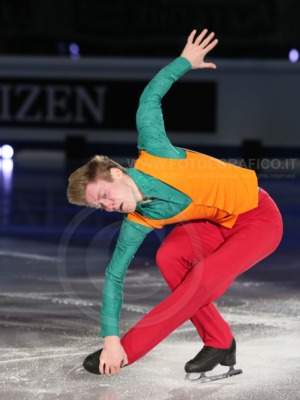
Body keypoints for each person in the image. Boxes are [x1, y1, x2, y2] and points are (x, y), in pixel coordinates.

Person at [67, 29, 283, 381]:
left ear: (115, 173)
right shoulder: (138, 218)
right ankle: (219, 340)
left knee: (201, 278)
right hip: (216, 223)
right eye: (99, 207)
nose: (107, 206)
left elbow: (149, 98)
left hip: (259, 217)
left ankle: (128, 353)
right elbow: (114, 276)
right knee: (170, 257)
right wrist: (109, 336)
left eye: (104, 195)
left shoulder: (155, 150)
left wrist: (184, 62)